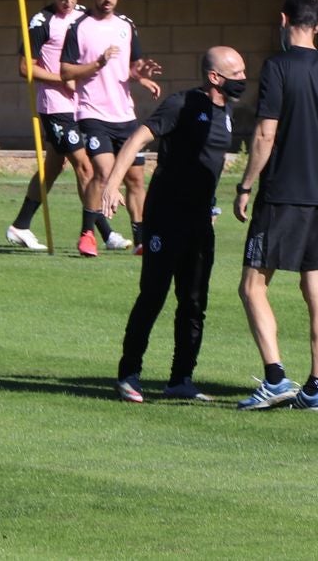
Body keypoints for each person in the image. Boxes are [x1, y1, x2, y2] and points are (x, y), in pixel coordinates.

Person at [233, 0, 318, 411]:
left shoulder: (277, 66)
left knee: (252, 286)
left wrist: (246, 184)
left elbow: (266, 133)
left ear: (284, 19)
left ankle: (274, 379)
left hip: (282, 194)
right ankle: (317, 386)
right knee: (317, 289)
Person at [102, 47, 247, 403]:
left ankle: (181, 378)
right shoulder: (181, 104)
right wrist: (112, 183)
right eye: (238, 73)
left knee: (194, 301)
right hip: (165, 216)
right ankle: (129, 374)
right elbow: (138, 138)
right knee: (153, 295)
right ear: (216, 78)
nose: (244, 79)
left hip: (200, 220)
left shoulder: (226, 110)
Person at [6, 0, 123, 251]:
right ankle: (104, 233)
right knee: (84, 165)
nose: (67, 3)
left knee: (53, 167)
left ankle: (20, 225)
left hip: (82, 104)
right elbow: (26, 68)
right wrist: (63, 79)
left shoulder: (84, 16)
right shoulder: (42, 21)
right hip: (55, 107)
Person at [60, 0, 161, 257]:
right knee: (103, 172)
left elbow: (131, 67)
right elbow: (66, 70)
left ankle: (141, 240)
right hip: (93, 114)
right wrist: (97, 64)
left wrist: (142, 76)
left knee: (136, 179)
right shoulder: (78, 27)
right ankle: (88, 234)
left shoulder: (126, 25)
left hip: (125, 115)